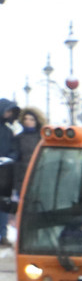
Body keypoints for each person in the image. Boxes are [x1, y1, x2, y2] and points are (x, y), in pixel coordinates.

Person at [0, 98, 18, 247]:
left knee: (4, 206)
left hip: (4, 173)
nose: (9, 114)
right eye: (7, 110)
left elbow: (14, 150)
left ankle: (3, 235)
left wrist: (9, 158)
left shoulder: (8, 131)